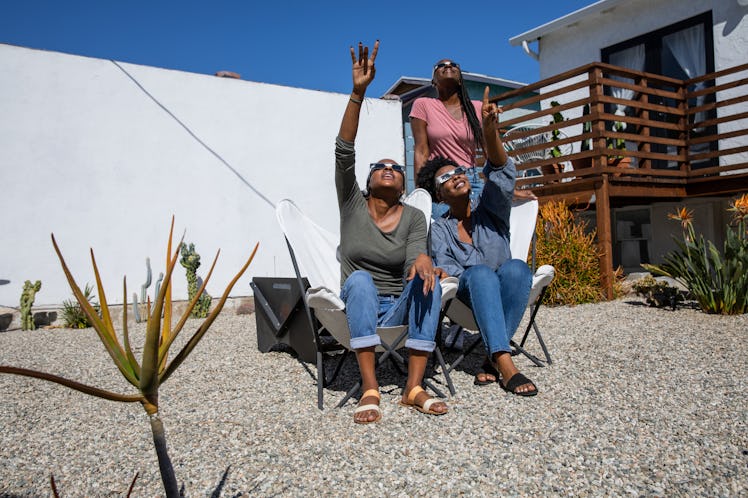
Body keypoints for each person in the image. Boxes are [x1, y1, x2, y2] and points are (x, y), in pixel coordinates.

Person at [336, 40, 448, 424]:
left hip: (398, 303)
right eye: (379, 165)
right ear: (367, 180)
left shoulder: (414, 216)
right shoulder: (351, 203)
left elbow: (418, 251)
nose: (388, 167)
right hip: (358, 301)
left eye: (395, 167)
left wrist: (424, 260)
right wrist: (357, 93)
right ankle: (370, 388)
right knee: (362, 280)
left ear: (402, 184)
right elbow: (343, 150)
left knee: (428, 277)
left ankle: (413, 387)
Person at [417, 86, 538, 396]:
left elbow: (501, 170)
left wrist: (490, 131)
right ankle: (506, 363)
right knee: (482, 273)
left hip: (506, 289)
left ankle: (491, 358)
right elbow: (446, 269)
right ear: (439, 194)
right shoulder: (440, 229)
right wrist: (443, 269)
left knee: (517, 269)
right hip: (468, 298)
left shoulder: (491, 208)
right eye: (445, 178)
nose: (456, 176)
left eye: (458, 171)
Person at [409, 58, 535, 218]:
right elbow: (421, 150)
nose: (448, 66)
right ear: (433, 80)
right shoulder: (423, 105)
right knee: (448, 233)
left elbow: (490, 150)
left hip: (471, 180)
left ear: (461, 79)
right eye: (441, 65)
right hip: (442, 184)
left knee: (480, 232)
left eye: (454, 65)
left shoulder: (477, 107)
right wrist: (422, 193)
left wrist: (507, 188)